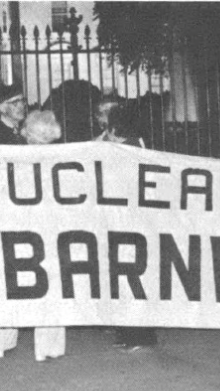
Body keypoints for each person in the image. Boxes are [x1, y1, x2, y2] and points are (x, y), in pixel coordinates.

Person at [0, 111, 65, 362]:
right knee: (17, 283)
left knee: (48, 286)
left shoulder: (60, 158)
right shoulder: (16, 156)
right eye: (36, 137)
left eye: (45, 138)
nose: (39, 142)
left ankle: (48, 346)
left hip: (46, 226)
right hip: (22, 224)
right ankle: (6, 341)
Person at [98, 105, 157, 352]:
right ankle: (130, 332)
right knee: (128, 276)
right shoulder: (136, 144)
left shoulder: (126, 149)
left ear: (114, 128)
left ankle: (139, 335)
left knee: (131, 278)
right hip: (132, 220)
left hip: (129, 220)